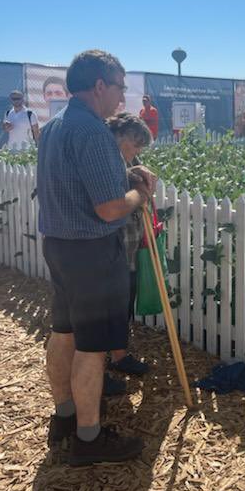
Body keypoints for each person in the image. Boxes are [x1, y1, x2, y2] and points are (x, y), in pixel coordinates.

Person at [38, 49, 156, 465]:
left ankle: (66, 417)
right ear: (100, 86)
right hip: (91, 250)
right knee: (92, 347)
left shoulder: (55, 126)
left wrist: (122, 179)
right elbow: (108, 208)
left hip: (59, 244)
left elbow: (75, 182)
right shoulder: (92, 132)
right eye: (120, 87)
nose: (122, 97)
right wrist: (139, 193)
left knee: (64, 332)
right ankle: (90, 440)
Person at [106, 113, 153, 378]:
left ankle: (119, 354)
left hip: (130, 246)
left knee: (125, 303)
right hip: (112, 247)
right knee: (110, 307)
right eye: (134, 145)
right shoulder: (105, 156)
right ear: (119, 136)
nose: (136, 152)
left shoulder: (127, 159)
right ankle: (110, 358)